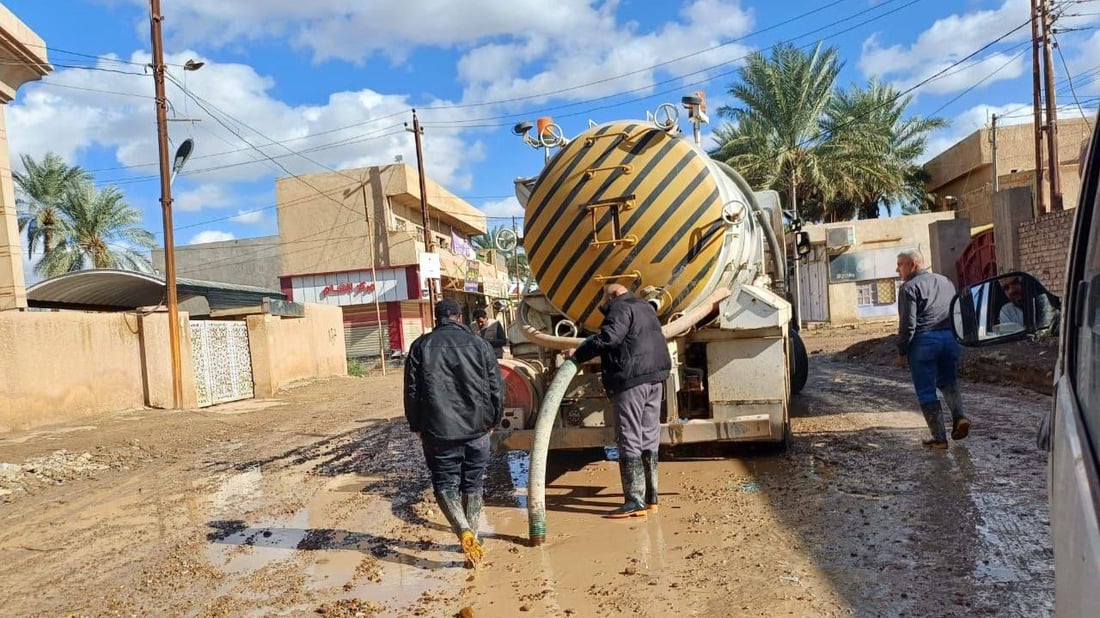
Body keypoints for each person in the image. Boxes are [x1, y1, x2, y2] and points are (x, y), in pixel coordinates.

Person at [404, 299, 504, 567]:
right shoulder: (480, 345)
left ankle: (464, 532)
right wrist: (494, 419)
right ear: (460, 317)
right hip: (478, 431)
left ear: (436, 319)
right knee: (473, 484)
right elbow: (496, 386)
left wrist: (416, 425)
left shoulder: (420, 346)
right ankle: (472, 541)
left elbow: (412, 393)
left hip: (438, 432)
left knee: (445, 485)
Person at [565, 284, 671, 518]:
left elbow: (609, 338)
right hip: (655, 377)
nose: (602, 304)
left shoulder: (619, 308)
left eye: (603, 298)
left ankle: (634, 501)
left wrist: (579, 353)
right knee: (649, 435)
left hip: (631, 379)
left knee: (629, 436)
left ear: (611, 296)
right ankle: (651, 497)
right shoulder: (645, 307)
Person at [896, 250, 971, 449]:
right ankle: (959, 417)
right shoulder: (946, 281)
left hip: (924, 342)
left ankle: (939, 438)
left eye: (900, 264)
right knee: (949, 381)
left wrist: (902, 351)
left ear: (913, 264)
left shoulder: (908, 288)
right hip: (950, 339)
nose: (897, 270)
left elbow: (908, 325)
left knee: (926, 390)